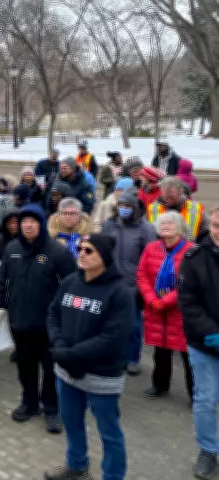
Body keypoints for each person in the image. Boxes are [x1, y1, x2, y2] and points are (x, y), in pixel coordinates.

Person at [45, 233, 133, 480]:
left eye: (89, 250)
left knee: (109, 432)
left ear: (103, 257)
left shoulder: (119, 293)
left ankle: (113, 476)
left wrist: (71, 354)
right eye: (80, 249)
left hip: (101, 376)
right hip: (67, 370)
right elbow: (53, 314)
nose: (81, 254)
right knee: (72, 423)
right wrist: (60, 344)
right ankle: (77, 465)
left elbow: (113, 338)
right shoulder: (71, 282)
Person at [0, 204, 78, 432]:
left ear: (41, 224)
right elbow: (2, 281)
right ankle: (29, 403)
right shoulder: (11, 249)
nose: (28, 225)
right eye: (24, 221)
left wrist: (67, 318)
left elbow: (71, 286)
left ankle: (51, 408)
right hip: (19, 321)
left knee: (50, 368)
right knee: (25, 366)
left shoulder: (57, 252)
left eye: (33, 221)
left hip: (49, 325)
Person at [178, 204, 219, 480]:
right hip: (205, 343)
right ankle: (208, 449)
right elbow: (187, 301)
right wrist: (211, 333)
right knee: (205, 400)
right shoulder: (194, 257)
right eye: (217, 225)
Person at [136, 210, 195, 401]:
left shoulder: (192, 251)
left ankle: (196, 394)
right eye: (162, 223)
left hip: (181, 310)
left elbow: (191, 283)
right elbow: (142, 275)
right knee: (160, 349)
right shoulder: (152, 248)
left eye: (171, 222)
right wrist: (152, 300)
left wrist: (165, 301)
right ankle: (160, 385)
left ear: (180, 227)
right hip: (156, 309)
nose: (166, 226)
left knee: (188, 354)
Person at [102, 190, 157, 375]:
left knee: (133, 324)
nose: (123, 209)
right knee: (110, 322)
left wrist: (144, 285)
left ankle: (132, 358)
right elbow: (103, 250)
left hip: (134, 285)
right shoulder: (110, 224)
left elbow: (152, 257)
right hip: (110, 281)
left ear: (135, 207)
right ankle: (114, 355)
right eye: (121, 205)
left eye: (127, 206)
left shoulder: (146, 228)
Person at [147, 176, 207, 241]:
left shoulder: (195, 210)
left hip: (189, 250)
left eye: (171, 196)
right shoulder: (153, 209)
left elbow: (205, 235)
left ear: (181, 191)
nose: (168, 199)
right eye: (166, 196)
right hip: (159, 250)